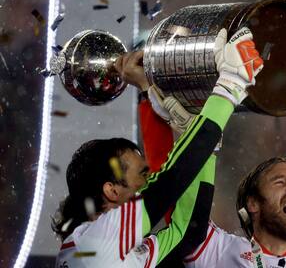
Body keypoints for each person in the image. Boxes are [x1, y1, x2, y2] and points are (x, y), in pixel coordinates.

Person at [145, 30, 286, 267]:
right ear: (252, 204)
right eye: (280, 182)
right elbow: (173, 187)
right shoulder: (214, 252)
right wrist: (147, 94)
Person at [51, 27, 264, 267]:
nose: (150, 178)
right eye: (142, 176)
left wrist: (200, 139)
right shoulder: (94, 242)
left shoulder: (113, 249)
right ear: (112, 191)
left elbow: (188, 233)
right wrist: (231, 83)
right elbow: (168, 182)